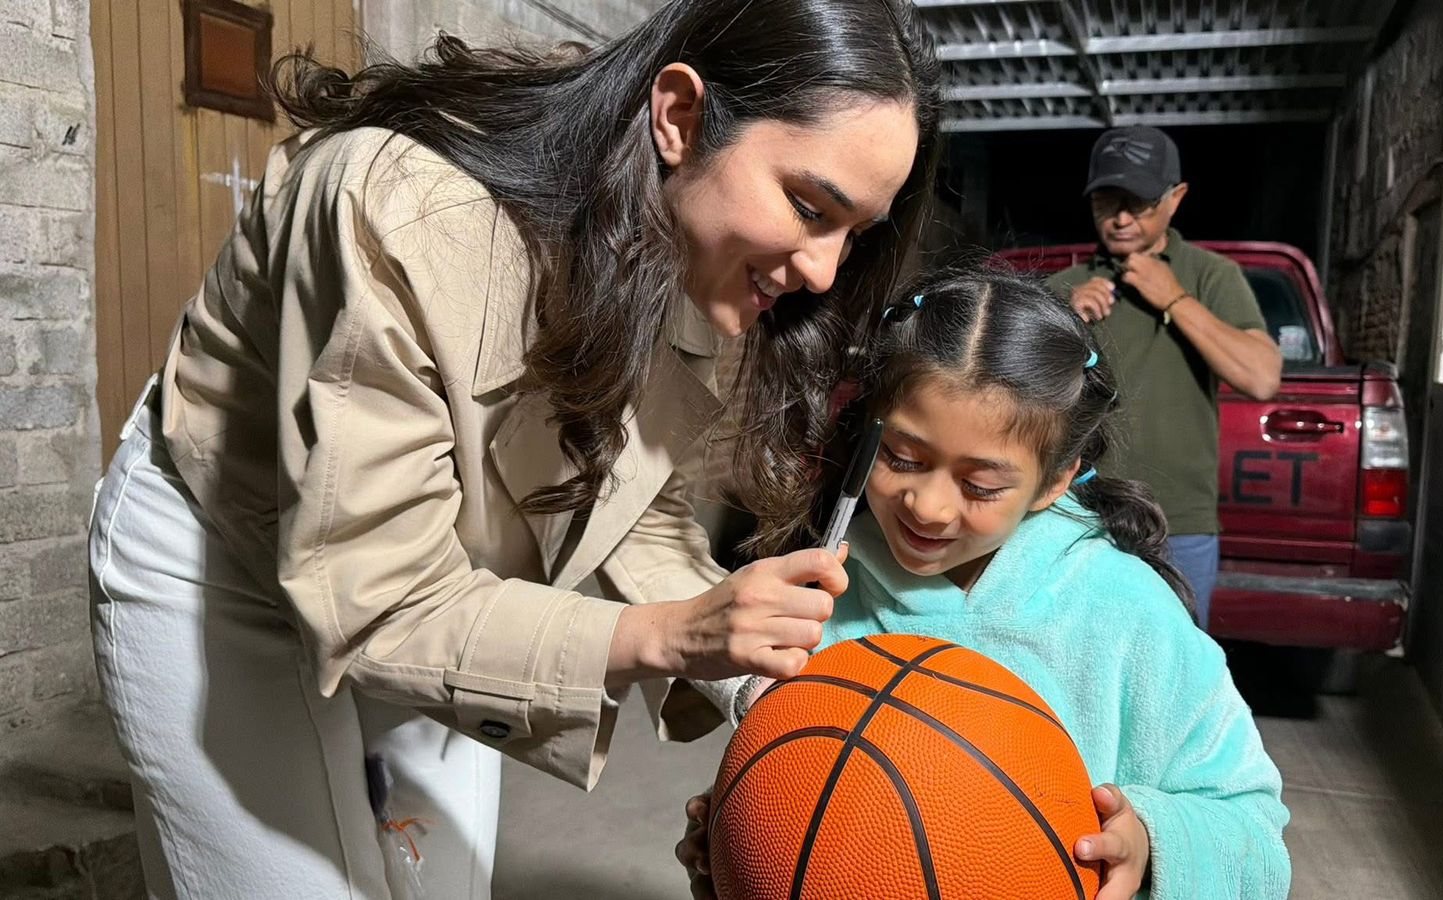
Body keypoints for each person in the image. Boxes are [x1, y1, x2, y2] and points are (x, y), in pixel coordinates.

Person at [85, 2, 943, 896]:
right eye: (809, 208)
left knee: (440, 885)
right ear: (680, 118)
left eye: (858, 233)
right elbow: (376, 596)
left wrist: (763, 682)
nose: (824, 271)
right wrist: (672, 634)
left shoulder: (692, 254)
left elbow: (627, 508)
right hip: (230, 558)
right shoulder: (396, 207)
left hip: (451, 578)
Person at [679, 270, 1292, 900]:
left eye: (981, 486)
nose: (931, 506)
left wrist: (1153, 842)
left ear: (1055, 481)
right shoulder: (821, 592)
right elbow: (806, 798)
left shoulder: (1128, 615)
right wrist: (742, 830)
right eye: (904, 458)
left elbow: (1253, 831)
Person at [1045, 125, 1283, 629]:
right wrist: (1060, 321)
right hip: (1072, 515)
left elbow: (1262, 378)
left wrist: (1174, 298)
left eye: (1140, 202)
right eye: (1108, 201)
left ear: (1176, 200)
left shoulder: (1209, 276)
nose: (1123, 217)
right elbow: (1002, 395)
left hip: (1179, 524)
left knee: (1175, 681)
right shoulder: (1062, 289)